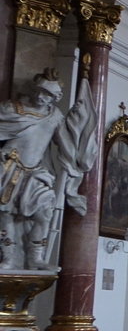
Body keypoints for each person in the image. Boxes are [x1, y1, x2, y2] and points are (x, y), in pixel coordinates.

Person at [0, 68, 89, 270]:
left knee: (44, 213)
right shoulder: (11, 109)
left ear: (55, 97)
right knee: (5, 214)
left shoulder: (54, 116)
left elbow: (66, 146)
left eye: (48, 94)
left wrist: (78, 128)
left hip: (36, 172)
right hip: (8, 167)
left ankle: (36, 257)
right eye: (39, 91)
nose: (41, 97)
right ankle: (8, 257)